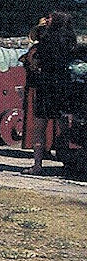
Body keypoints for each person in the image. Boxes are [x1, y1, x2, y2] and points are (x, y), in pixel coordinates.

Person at [22, 11, 76, 174]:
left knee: (40, 127)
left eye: (51, 17)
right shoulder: (70, 39)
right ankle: (67, 164)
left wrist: (39, 28)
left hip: (46, 85)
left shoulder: (46, 39)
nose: (48, 19)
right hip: (62, 85)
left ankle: (37, 165)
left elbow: (35, 48)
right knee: (64, 127)